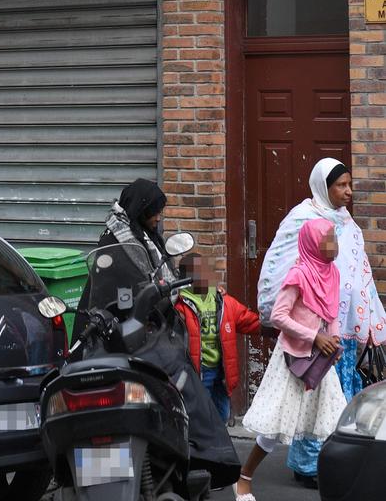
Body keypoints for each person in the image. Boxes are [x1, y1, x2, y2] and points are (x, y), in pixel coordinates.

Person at [75, 178, 242, 490]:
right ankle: (208, 453)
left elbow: (157, 279)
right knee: (180, 375)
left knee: (180, 377)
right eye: (156, 212)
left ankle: (198, 454)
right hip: (121, 335)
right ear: (141, 209)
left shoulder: (144, 238)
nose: (159, 218)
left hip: (140, 330)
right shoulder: (118, 244)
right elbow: (121, 291)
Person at [257, 157, 386, 487]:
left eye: (349, 185)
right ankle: (308, 465)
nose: (349, 192)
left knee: (334, 402)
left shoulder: (347, 224)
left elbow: (361, 275)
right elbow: (281, 271)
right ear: (323, 187)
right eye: (341, 186)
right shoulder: (303, 221)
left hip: (343, 328)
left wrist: (371, 320)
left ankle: (339, 463)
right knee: (313, 397)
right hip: (315, 332)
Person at [234, 218, 347, 501]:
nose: (334, 246)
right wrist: (314, 336)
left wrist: (333, 341)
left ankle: (340, 481)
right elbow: (278, 316)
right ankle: (243, 479)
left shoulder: (332, 273)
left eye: (334, 239)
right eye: (328, 240)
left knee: (335, 421)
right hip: (292, 359)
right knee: (275, 426)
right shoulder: (298, 275)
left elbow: (330, 314)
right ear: (313, 244)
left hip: (320, 359)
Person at [175, 251, 260, 422]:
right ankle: (201, 445)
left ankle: (219, 444)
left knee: (222, 413)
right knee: (200, 414)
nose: (206, 275)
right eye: (200, 272)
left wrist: (279, 328)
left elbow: (248, 321)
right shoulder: (181, 305)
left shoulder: (221, 300)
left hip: (221, 370)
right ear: (187, 278)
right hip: (199, 370)